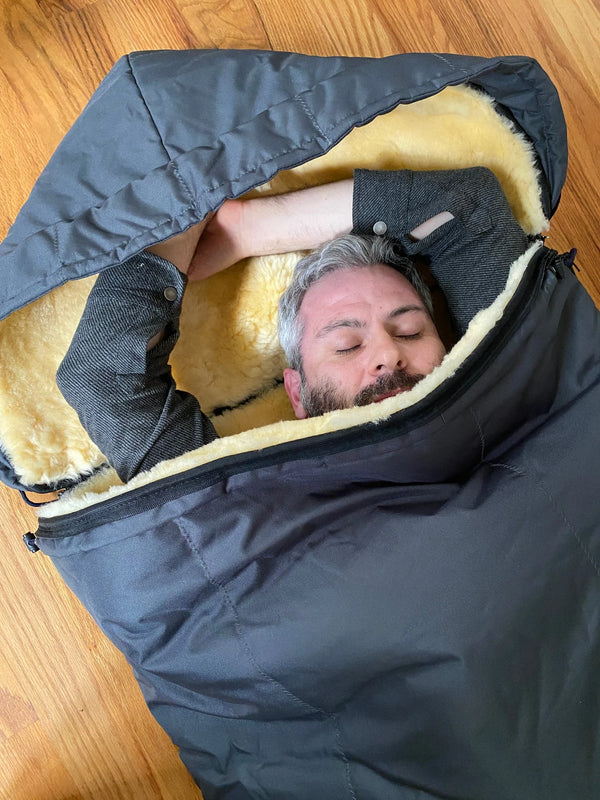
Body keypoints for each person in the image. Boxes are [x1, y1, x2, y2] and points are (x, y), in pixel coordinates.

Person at [56, 167, 530, 482]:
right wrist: (192, 190)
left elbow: (465, 209)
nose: (388, 353)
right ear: (297, 394)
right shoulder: (249, 509)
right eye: (346, 344)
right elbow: (104, 379)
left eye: (410, 331)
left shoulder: (514, 393)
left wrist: (250, 229)